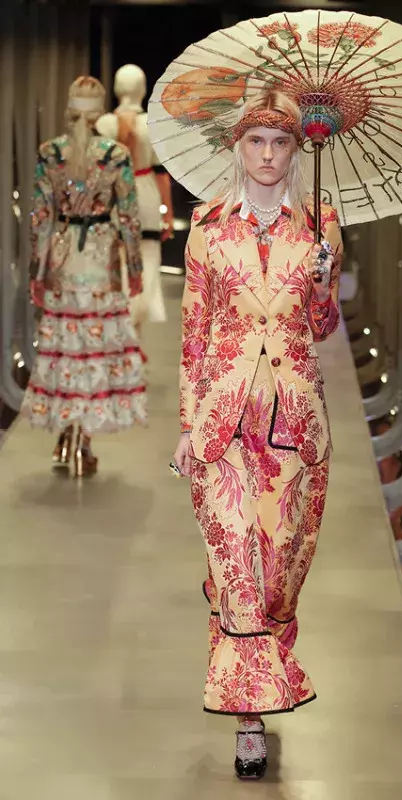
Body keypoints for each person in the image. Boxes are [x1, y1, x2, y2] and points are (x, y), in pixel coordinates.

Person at [171, 90, 343, 780]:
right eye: (256, 142)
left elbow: (321, 327)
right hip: (224, 419)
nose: (268, 155)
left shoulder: (320, 226)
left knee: (277, 575)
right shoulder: (207, 227)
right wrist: (187, 424)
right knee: (237, 562)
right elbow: (193, 330)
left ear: (297, 151)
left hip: (295, 419)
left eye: (280, 143)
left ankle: (257, 653)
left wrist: (325, 285)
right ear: (237, 148)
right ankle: (248, 720)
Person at [21, 76, 147, 477]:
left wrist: (36, 271)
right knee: (93, 351)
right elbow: (129, 218)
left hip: (61, 259)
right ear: (99, 111)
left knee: (65, 351)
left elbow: (40, 218)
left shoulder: (50, 153)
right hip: (100, 258)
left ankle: (65, 435)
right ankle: (84, 442)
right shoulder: (115, 155)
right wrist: (135, 268)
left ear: (69, 108)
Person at [96, 64, 174, 358]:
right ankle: (134, 335)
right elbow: (161, 173)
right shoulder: (151, 124)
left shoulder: (104, 124)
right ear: (142, 89)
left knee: (115, 263)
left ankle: (118, 334)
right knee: (146, 264)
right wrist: (168, 214)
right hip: (145, 194)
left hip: (113, 196)